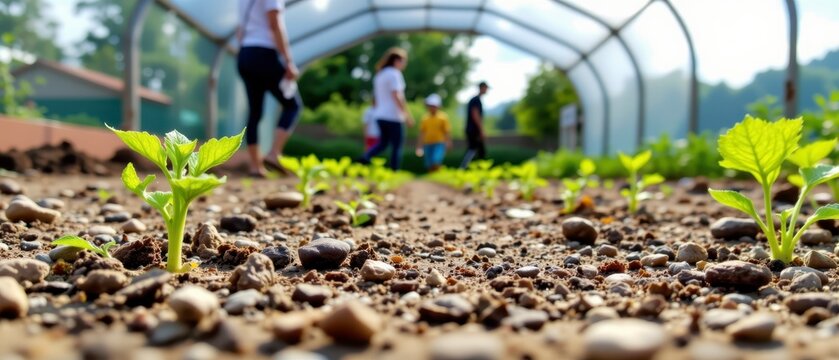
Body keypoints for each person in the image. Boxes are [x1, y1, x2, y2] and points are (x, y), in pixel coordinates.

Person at [237, 0, 302, 177]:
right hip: (264, 53)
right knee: (293, 105)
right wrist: (288, 61)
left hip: (245, 54)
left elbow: (239, 32)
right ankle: (274, 153)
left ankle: (255, 166)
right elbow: (275, 24)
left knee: (255, 112)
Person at [359, 48, 414, 170]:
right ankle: (394, 171)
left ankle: (366, 156)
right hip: (393, 116)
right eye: (403, 61)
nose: (404, 64)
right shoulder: (394, 74)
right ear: (396, 61)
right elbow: (397, 95)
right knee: (396, 146)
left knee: (383, 144)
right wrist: (406, 115)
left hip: (380, 115)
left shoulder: (380, 75)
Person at [416, 94, 451, 172]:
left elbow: (446, 131)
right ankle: (431, 177)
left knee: (436, 160)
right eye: (430, 106)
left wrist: (448, 142)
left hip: (439, 143)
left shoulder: (443, 117)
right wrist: (419, 146)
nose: (432, 108)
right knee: (429, 163)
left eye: (433, 106)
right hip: (427, 143)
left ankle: (438, 173)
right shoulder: (425, 118)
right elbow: (422, 133)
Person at [461, 81, 489, 168]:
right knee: (473, 150)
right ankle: (463, 168)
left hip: (473, 129)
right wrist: (481, 130)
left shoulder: (476, 99)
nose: (487, 90)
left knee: (480, 151)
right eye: (486, 88)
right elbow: (475, 115)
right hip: (474, 130)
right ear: (482, 88)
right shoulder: (476, 100)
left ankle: (479, 170)